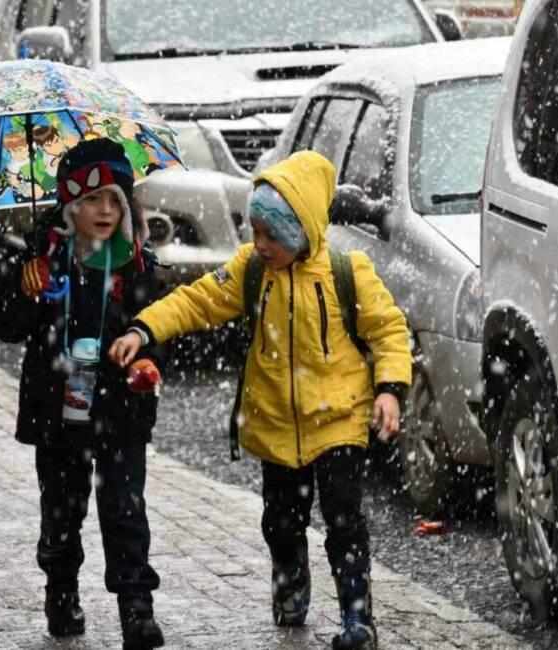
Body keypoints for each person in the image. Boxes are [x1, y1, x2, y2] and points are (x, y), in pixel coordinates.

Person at [109, 150, 411, 650]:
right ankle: (291, 581)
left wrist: (389, 390)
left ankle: (358, 619)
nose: (260, 243)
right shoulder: (252, 271)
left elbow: (389, 331)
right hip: (273, 423)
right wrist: (145, 328)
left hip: (339, 419)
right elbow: (198, 299)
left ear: (302, 232)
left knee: (344, 520)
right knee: (281, 522)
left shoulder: (347, 273)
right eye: (255, 231)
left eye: (272, 235)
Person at [0, 137, 166, 649]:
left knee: (125, 508)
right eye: (92, 200)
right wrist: (22, 289)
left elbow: (158, 328)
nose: (104, 211)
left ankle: (136, 607)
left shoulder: (137, 263)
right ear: (70, 206)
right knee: (63, 510)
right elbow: (6, 325)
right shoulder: (44, 261)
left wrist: (148, 361)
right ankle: (60, 589)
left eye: (114, 200)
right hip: (57, 412)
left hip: (121, 411)